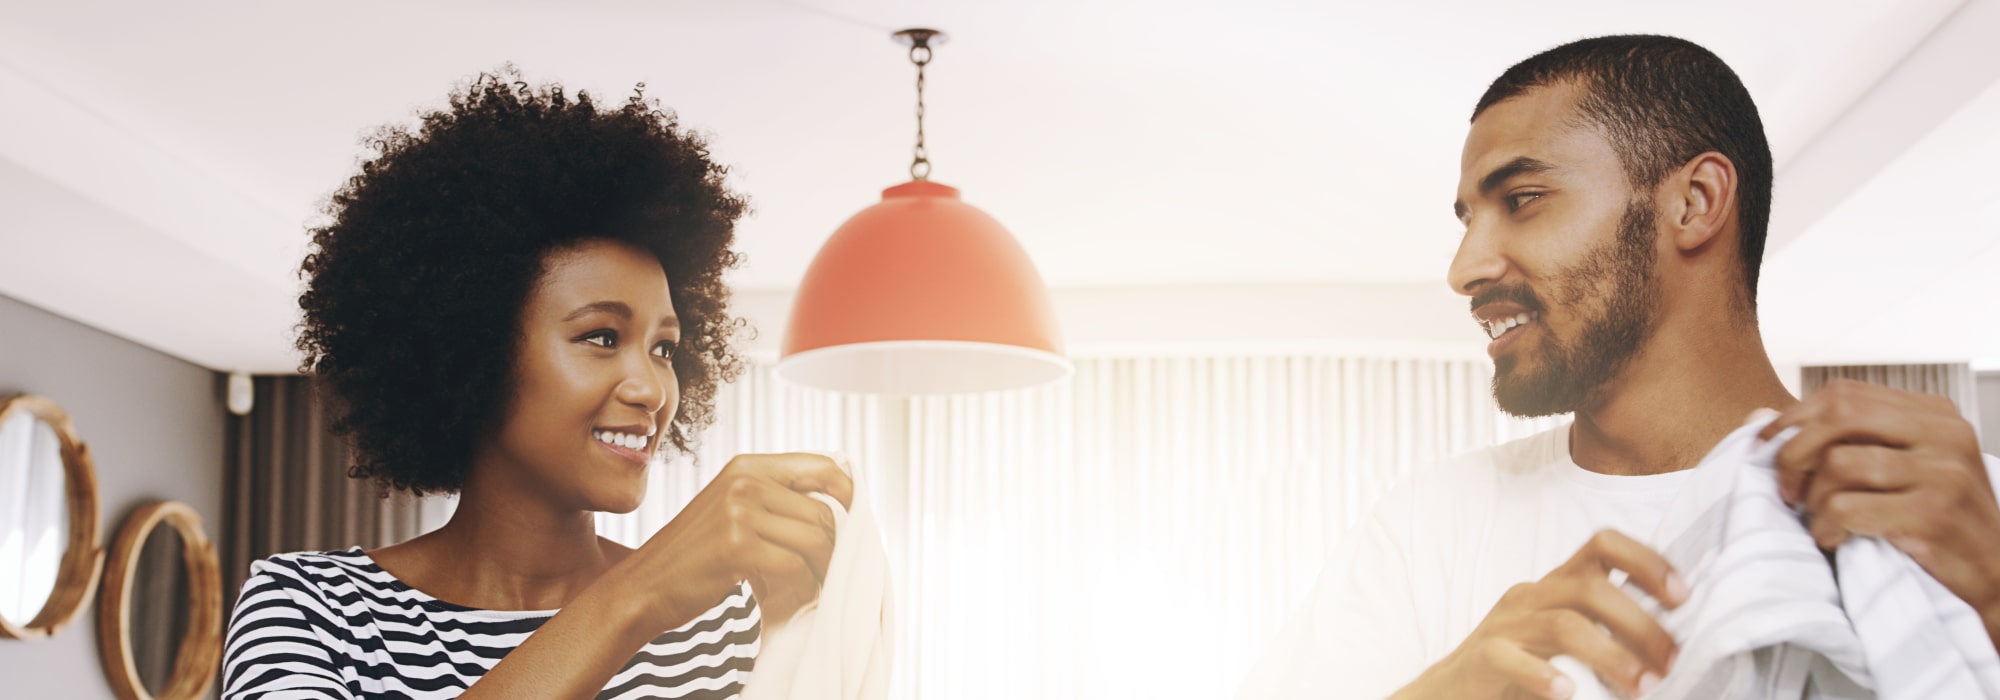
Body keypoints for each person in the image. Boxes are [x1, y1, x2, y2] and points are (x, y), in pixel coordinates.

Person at [1237, 35, 2000, 699]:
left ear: (1695, 202)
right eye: (1469, 219)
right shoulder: (1426, 528)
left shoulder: (1965, 505)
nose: (1464, 268)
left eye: (1524, 198)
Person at [219, 68, 854, 699]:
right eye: (602, 337)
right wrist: (637, 597)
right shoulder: (314, 611)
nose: (653, 390)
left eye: (664, 348)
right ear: (476, 350)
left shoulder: (720, 630)